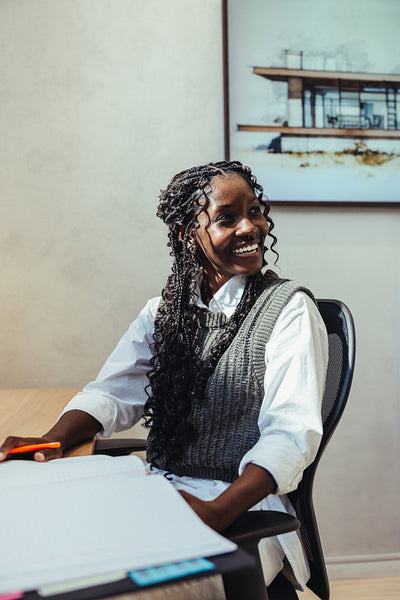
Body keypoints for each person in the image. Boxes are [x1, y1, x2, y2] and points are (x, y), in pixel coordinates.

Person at [0, 160, 328, 594]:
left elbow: (289, 437)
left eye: (255, 211)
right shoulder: (164, 311)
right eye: (227, 218)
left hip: (236, 511)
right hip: (157, 493)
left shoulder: (289, 311)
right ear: (185, 234)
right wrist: (53, 439)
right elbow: (112, 394)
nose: (250, 228)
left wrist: (215, 514)